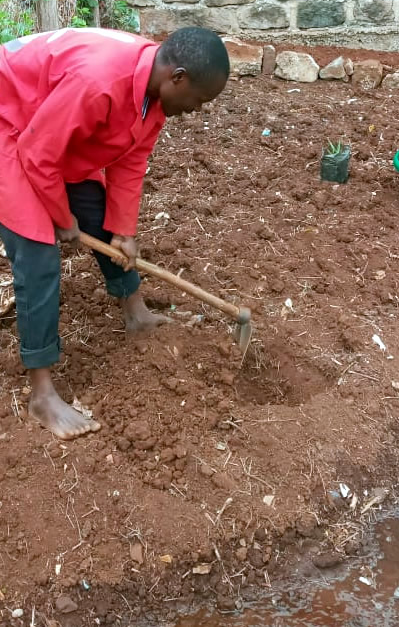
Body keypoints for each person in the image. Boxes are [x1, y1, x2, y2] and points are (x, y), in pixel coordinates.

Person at [0, 25, 229, 440]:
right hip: (10, 119)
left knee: (100, 212)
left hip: (46, 121)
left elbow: (130, 160)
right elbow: (36, 154)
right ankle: (42, 394)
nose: (197, 110)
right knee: (37, 250)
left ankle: (136, 313)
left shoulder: (152, 93)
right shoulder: (100, 80)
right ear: (177, 77)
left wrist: (123, 230)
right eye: (199, 100)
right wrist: (61, 218)